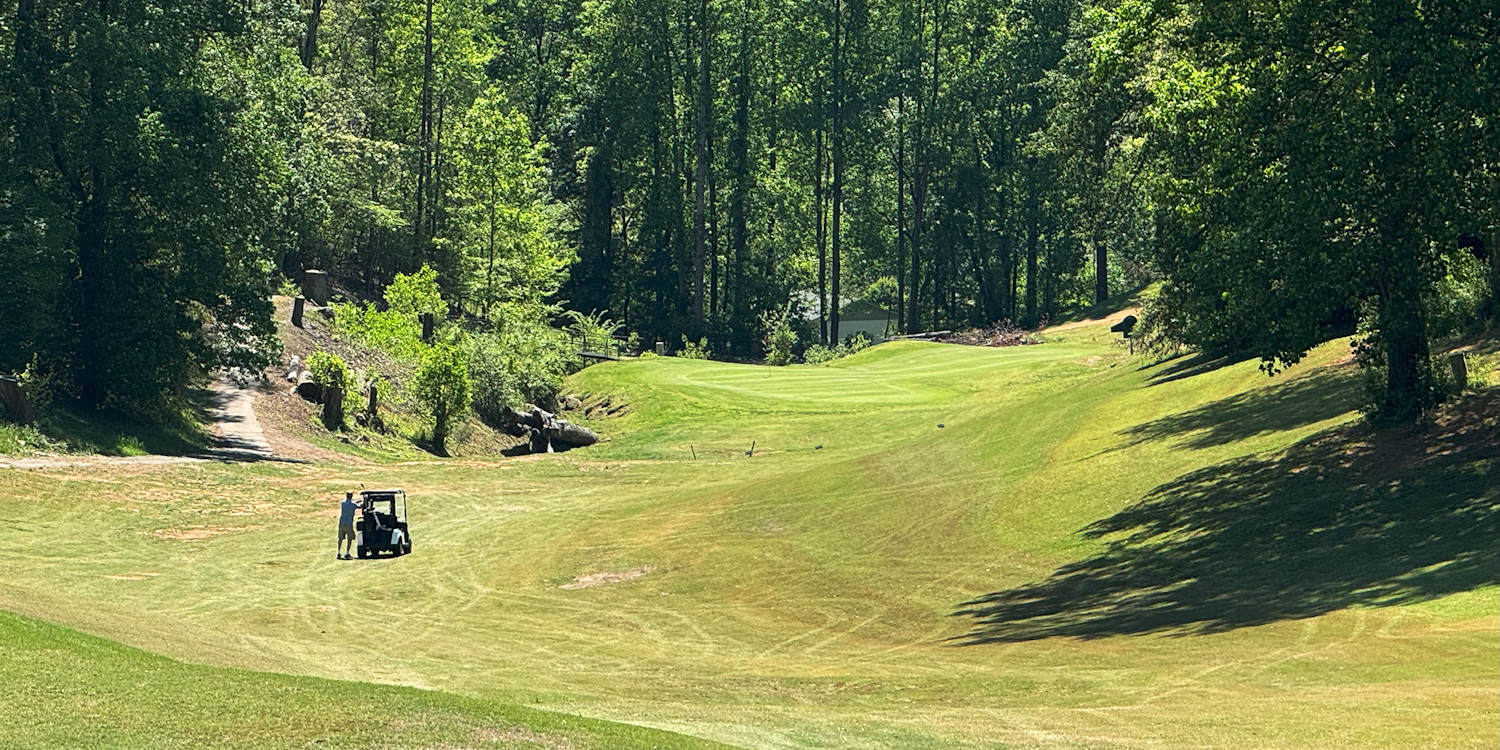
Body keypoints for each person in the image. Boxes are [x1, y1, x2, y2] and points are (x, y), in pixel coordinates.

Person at [337, 492, 360, 560]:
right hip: (348, 524)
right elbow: (359, 506)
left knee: (340, 538)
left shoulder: (343, 503)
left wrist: (356, 501)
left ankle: (338, 552)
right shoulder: (353, 504)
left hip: (341, 523)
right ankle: (347, 553)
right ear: (351, 496)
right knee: (350, 538)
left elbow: (351, 503)